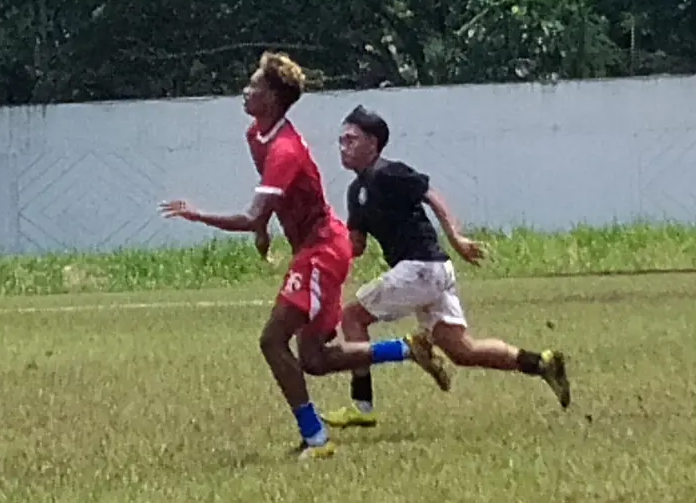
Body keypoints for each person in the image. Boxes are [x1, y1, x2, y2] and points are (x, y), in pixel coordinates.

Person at [159, 53, 451, 460]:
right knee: (313, 359)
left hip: (321, 251)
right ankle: (406, 349)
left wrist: (199, 214)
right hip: (318, 250)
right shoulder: (256, 136)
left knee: (272, 341)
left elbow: (250, 214)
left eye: (255, 85)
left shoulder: (285, 150)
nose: (246, 90)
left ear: (274, 99)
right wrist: (263, 231)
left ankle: (315, 439)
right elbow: (268, 201)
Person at [319, 105, 571, 431]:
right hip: (427, 273)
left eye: (351, 139)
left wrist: (456, 236)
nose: (343, 146)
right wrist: (322, 250)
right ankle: (543, 362)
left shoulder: (390, 173)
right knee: (462, 351)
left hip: (423, 267)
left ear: (373, 142)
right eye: (341, 140)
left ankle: (363, 406)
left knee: (352, 317)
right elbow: (356, 245)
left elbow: (431, 195)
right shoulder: (357, 191)